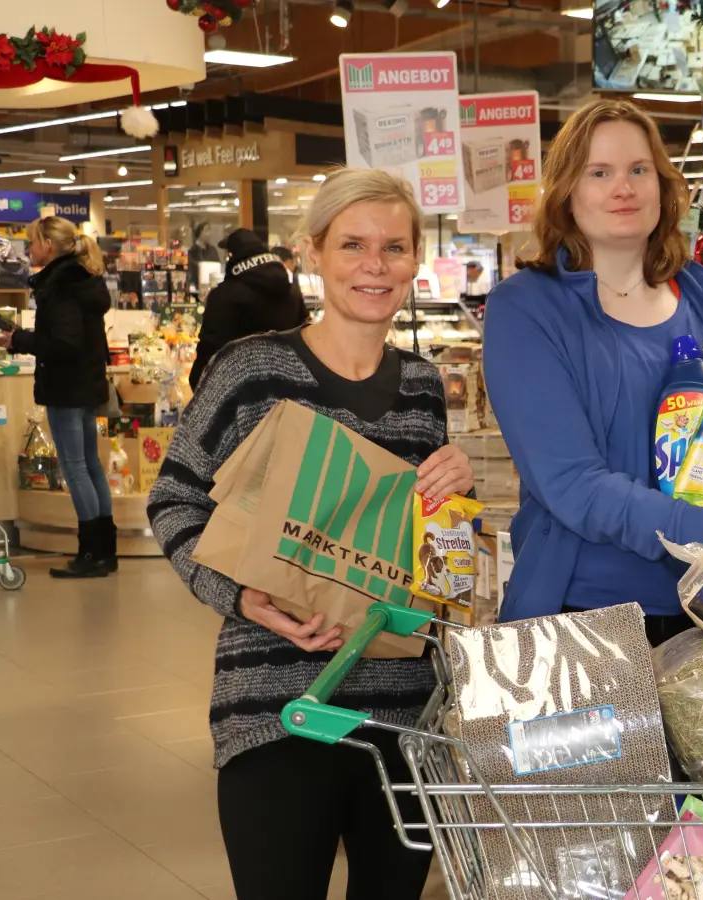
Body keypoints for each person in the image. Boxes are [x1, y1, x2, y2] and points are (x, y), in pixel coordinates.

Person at [148, 169, 474, 900]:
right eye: (353, 244)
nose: (374, 264)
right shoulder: (252, 368)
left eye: (394, 247)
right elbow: (173, 497)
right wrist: (237, 593)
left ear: (415, 260)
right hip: (274, 702)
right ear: (313, 253)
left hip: (404, 710)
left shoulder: (423, 382)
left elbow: (422, 545)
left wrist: (455, 493)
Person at [484, 97, 703, 638]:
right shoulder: (526, 308)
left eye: (638, 170)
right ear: (568, 192)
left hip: (702, 609)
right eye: (599, 172)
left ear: (662, 186)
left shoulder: (698, 296)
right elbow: (571, 483)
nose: (623, 188)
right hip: (584, 618)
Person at [0, 216, 115, 578]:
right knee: (91, 464)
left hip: (66, 385)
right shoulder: (84, 280)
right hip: (86, 382)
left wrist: (17, 340)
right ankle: (104, 551)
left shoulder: (60, 285)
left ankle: (90, 554)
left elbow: (63, 343)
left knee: (75, 466)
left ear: (48, 244)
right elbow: (73, 334)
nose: (29, 250)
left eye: (32, 243)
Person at [188, 228, 309, 390]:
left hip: (238, 400)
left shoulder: (224, 296)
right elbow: (307, 341)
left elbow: (208, 354)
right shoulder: (292, 291)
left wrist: (196, 384)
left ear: (233, 256)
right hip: (288, 396)